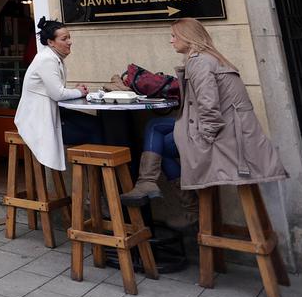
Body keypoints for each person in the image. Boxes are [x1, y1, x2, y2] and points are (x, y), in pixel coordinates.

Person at [120, 18, 287, 229]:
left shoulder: (199, 62)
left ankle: (184, 204)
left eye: (174, 36)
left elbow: (209, 106)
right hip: (235, 134)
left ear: (188, 38)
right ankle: (150, 184)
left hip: (222, 138)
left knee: (158, 139)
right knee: (155, 127)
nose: (171, 41)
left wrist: (204, 140)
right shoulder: (211, 58)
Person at [14, 17, 90, 171]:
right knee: (93, 131)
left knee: (94, 125)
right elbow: (57, 94)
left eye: (69, 37)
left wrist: (75, 92)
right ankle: (101, 183)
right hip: (37, 120)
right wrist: (79, 92)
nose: (69, 42)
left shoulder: (54, 58)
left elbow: (54, 90)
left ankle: (101, 182)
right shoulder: (47, 59)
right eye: (64, 38)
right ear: (51, 42)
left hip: (49, 113)